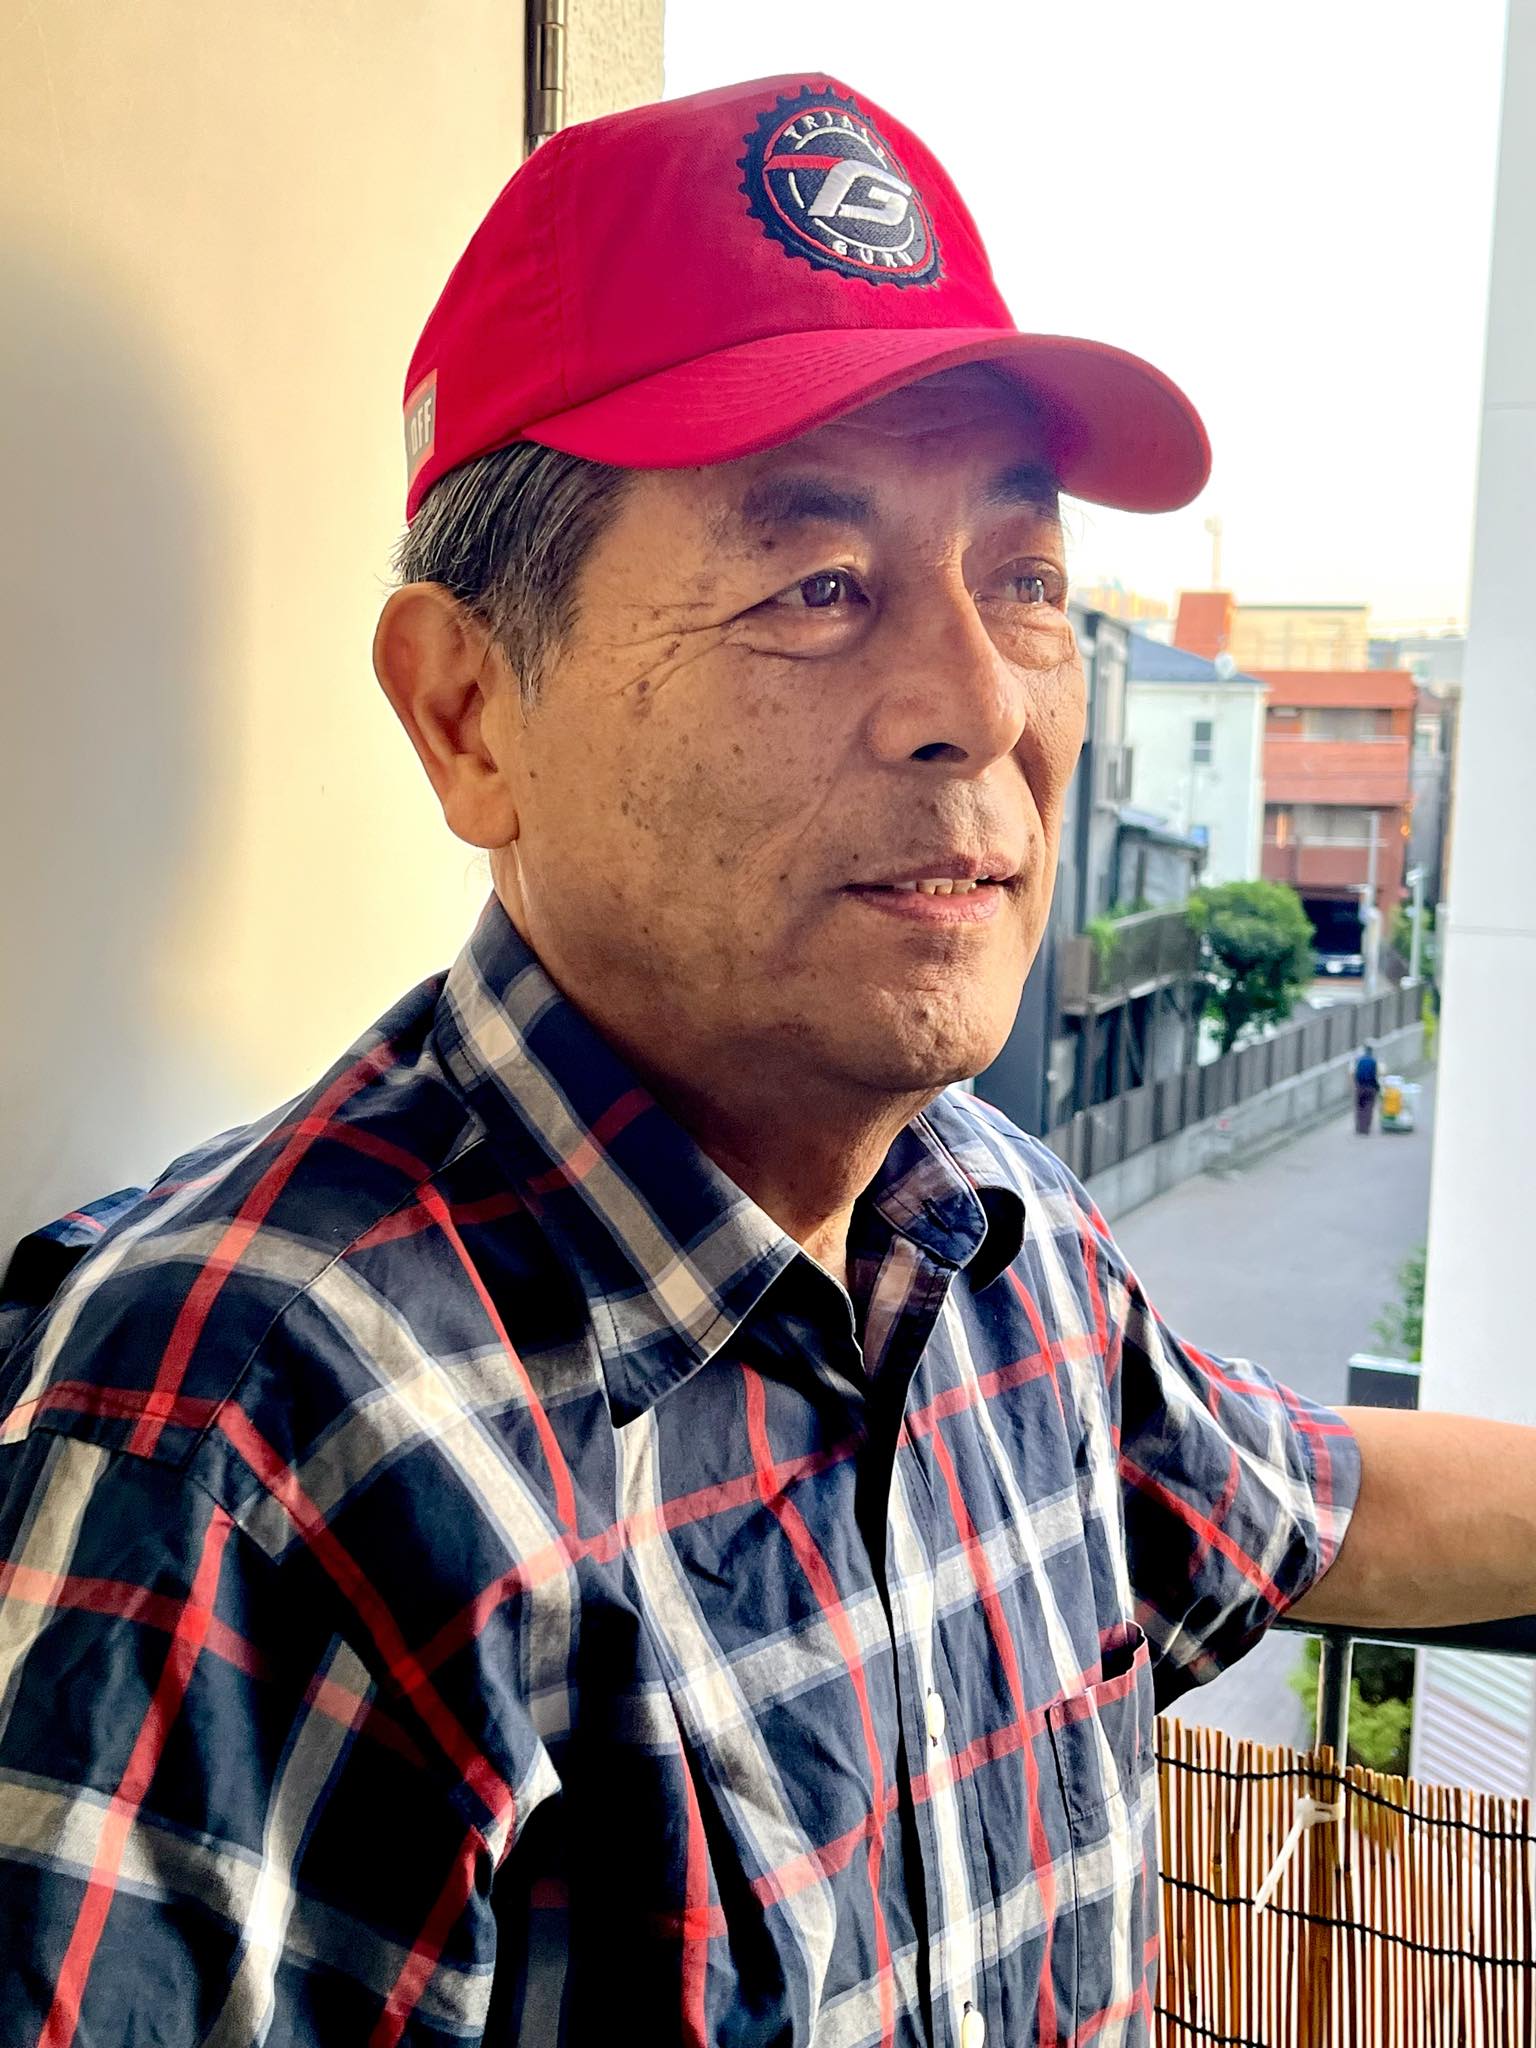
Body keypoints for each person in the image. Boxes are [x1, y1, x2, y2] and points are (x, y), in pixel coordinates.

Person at [2, 74, 1534, 2048]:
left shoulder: (1001, 1247)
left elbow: (1313, 1498)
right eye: (817, 587)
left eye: (1025, 579)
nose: (977, 703)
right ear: (468, 711)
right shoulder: (247, 1452)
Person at [1354, 1041, 1381, 1134]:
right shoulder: (1373, 1061)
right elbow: (1374, 1075)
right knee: (1368, 1108)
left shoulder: (1360, 1060)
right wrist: (1377, 1087)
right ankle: (1366, 1128)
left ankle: (1359, 1128)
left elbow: (1356, 1074)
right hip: (1370, 1087)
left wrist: (1357, 1086)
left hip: (1360, 1087)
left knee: (1360, 1108)